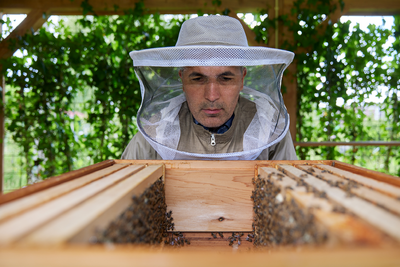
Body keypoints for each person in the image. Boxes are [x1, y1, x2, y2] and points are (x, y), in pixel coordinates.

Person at [122, 15, 297, 160]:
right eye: (198, 78)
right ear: (182, 79)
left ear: (242, 79)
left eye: (226, 79)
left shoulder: (270, 128)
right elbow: (124, 190)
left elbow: (290, 194)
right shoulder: (157, 130)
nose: (212, 96)